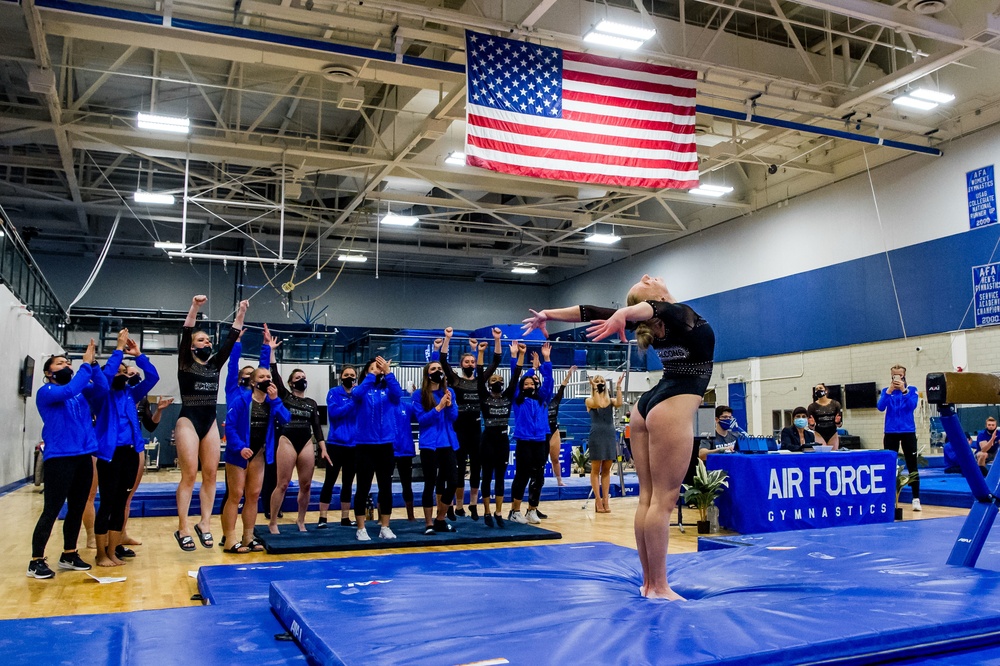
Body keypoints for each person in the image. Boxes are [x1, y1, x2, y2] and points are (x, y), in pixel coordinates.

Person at [523, 274, 715, 600]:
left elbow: (588, 311)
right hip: (673, 402)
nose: (645, 276)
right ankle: (659, 586)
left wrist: (548, 314)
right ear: (651, 301)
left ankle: (648, 582)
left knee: (648, 499)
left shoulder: (663, 317)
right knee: (664, 501)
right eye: (642, 283)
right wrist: (623, 315)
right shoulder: (673, 312)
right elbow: (647, 309)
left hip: (650, 403)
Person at [174, 295, 247, 552]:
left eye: (208, 339)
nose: (207, 342)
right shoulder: (185, 362)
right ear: (193, 346)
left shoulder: (215, 365)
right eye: (201, 339)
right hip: (188, 420)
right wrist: (194, 307)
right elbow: (186, 330)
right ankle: (183, 526)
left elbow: (229, 340)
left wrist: (240, 312)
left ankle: (204, 524)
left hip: (210, 422)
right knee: (190, 474)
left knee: (211, 474)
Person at [29, 339, 106, 579]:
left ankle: (69, 553)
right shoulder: (47, 392)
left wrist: (92, 365)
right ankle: (36, 561)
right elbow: (69, 390)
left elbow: (102, 389)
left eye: (67, 363)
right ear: (48, 372)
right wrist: (83, 366)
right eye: (60, 363)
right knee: (52, 509)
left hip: (82, 456)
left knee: (77, 508)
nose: (65, 365)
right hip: (59, 458)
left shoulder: (80, 392)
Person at [93, 329, 159, 566]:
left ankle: (112, 551)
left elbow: (152, 377)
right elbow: (107, 375)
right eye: (118, 371)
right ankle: (100, 553)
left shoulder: (131, 394)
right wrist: (118, 350)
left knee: (121, 504)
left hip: (130, 453)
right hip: (110, 454)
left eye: (124, 371)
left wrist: (139, 356)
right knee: (107, 503)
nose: (122, 374)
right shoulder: (100, 395)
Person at [222, 367, 290, 553]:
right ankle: (230, 539)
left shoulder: (271, 402)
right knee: (235, 495)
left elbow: (285, 418)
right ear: (253, 382)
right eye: (262, 377)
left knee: (253, 496)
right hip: (238, 454)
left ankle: (248, 537)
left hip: (258, 454)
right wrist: (239, 447)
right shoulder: (241, 400)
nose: (267, 379)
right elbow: (231, 427)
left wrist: (275, 400)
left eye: (269, 376)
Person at [264, 326, 323, 533]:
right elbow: (274, 374)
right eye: (297, 377)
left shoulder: (312, 402)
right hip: (287, 439)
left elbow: (316, 426)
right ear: (290, 383)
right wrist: (271, 350)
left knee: (305, 485)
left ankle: (301, 520)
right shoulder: (285, 396)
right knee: (283, 483)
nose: (301, 380)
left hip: (306, 441)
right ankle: (272, 521)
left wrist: (323, 447)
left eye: (303, 377)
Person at [477, 332, 526, 528]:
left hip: (502, 440)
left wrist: (521, 354)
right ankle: (487, 511)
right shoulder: (484, 396)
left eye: (499, 382)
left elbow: (516, 376)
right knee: (486, 476)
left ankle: (498, 511)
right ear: (489, 386)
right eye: (493, 382)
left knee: (500, 477)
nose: (497, 384)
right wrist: (480, 352)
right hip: (487, 440)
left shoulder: (507, 396)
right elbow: (479, 374)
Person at [352, 356, 401, 541]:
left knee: (386, 487)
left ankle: (385, 526)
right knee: (363, 487)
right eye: (374, 368)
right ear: (366, 372)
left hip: (385, 445)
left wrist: (388, 373)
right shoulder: (362, 390)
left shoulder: (388, 391)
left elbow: (397, 394)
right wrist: (371, 375)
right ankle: (361, 528)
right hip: (364, 445)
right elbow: (356, 395)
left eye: (379, 368)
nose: (377, 370)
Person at [440, 327, 484, 520]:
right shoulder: (455, 380)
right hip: (458, 430)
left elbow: (494, 362)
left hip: (475, 430)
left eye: (472, 361)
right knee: (457, 467)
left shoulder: (480, 381)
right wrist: (447, 339)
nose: (470, 364)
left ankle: (473, 505)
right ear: (461, 364)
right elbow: (443, 361)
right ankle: (457, 506)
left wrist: (477, 352)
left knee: (476, 467)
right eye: (467, 361)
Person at [412, 359, 460, 535]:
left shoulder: (449, 392)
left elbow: (454, 417)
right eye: (433, 369)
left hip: (447, 442)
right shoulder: (419, 395)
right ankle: (428, 523)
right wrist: (438, 407)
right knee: (430, 483)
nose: (438, 371)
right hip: (429, 444)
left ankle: (441, 518)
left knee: (453, 481)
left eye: (440, 368)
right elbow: (422, 420)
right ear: (427, 373)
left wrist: (449, 405)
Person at [508, 342, 554, 525]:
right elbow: (515, 376)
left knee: (539, 476)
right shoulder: (518, 400)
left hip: (540, 440)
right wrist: (516, 356)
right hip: (524, 441)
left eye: (531, 382)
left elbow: (549, 380)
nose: (529, 385)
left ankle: (532, 510)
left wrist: (546, 360)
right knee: (522, 475)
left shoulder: (543, 399)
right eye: (525, 383)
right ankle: (515, 511)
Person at [318, 365, 358, 528]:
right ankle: (322, 518)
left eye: (352, 375)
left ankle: (345, 517)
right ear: (341, 377)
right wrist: (352, 402)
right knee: (330, 480)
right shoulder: (334, 393)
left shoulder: (358, 395)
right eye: (346, 374)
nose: (349, 377)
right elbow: (335, 414)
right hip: (335, 443)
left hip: (353, 445)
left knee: (348, 482)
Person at [878, 365, 921, 511]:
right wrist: (889, 392)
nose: (896, 378)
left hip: (907, 431)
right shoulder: (886, 391)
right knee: (890, 464)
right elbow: (880, 407)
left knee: (912, 464)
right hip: (891, 432)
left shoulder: (912, 390)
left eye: (899, 375)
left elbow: (912, 406)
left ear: (904, 375)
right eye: (894, 375)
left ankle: (916, 498)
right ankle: (890, 498)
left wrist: (904, 391)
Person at [586, 373, 624, 514]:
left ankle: (606, 500)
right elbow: (599, 404)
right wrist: (595, 389)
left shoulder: (610, 400)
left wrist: (618, 387)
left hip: (609, 433)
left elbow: (619, 403)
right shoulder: (589, 400)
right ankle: (597, 499)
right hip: (596, 434)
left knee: (607, 468)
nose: (600, 383)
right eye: (597, 381)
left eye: (602, 381)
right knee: (596, 468)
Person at [547, 365, 576, 487]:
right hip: (541, 431)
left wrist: (569, 375)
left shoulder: (555, 400)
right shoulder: (537, 401)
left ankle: (559, 480)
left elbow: (562, 387)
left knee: (555, 458)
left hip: (553, 430)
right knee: (538, 461)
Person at [393, 390, 418, 522]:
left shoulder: (407, 406)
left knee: (407, 484)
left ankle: (411, 515)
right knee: (384, 484)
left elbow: (420, 415)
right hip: (388, 449)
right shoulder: (383, 406)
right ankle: (381, 517)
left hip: (405, 449)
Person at [808, 383, 842, 450]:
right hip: (819, 433)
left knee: (833, 455)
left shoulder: (835, 404)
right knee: (822, 454)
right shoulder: (812, 407)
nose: (818, 390)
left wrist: (837, 422)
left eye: (820, 388)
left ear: (825, 391)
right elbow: (811, 427)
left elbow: (840, 425)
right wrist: (811, 424)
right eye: (816, 389)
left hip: (832, 433)